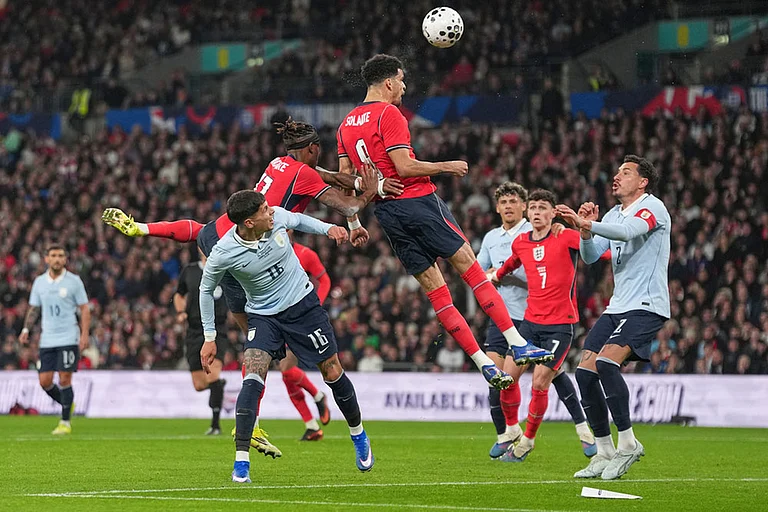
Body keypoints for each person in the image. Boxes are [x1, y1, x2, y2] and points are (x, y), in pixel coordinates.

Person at [102, 119, 388, 454]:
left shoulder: (279, 163)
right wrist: (371, 189)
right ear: (312, 149)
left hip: (220, 235)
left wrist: (351, 182)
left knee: (200, 234)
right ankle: (259, 422)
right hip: (247, 254)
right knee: (263, 354)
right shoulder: (304, 175)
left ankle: (140, 228)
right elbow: (346, 201)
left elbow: (328, 177)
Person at [336, 54, 552, 392]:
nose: (404, 88)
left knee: (437, 291)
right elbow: (405, 167)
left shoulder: (346, 123)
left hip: (387, 213)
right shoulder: (389, 113)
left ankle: (482, 361)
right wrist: (446, 166)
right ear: (389, 82)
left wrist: (375, 188)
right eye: (402, 81)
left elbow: (344, 180)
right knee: (469, 266)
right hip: (418, 201)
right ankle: (517, 341)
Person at [199, 190, 373, 483]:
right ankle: (241, 464)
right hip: (264, 317)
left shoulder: (276, 218)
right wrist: (209, 336)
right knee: (253, 374)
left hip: (303, 307)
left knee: (332, 371)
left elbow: (302, 220)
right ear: (249, 223)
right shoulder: (224, 251)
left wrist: (329, 228)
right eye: (265, 210)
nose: (272, 212)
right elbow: (205, 290)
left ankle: (358, 434)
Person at [556, 154, 670, 480]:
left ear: (643, 181)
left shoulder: (652, 207)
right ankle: (604, 451)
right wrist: (587, 232)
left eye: (626, 172)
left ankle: (629, 443)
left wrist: (585, 224)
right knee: (584, 373)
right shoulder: (613, 213)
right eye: (617, 171)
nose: (617, 177)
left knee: (606, 363)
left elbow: (627, 233)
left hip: (647, 304)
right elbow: (591, 257)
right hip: (618, 305)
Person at [479, 182, 595, 459]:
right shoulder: (515, 241)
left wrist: (587, 228)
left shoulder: (564, 236)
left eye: (541, 208)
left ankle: (529, 440)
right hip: (524, 322)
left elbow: (596, 253)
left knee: (542, 382)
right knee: (505, 380)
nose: (536, 212)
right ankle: (511, 431)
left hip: (558, 324)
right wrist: (493, 276)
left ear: (553, 213)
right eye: (534, 207)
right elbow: (507, 265)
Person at [18, 245, 90, 435]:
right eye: (53, 256)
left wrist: (84, 335)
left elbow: (84, 308)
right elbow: (33, 308)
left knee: (65, 377)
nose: (57, 259)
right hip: (47, 338)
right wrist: (26, 329)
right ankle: (67, 403)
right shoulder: (40, 283)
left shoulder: (74, 281)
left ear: (65, 259)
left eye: (60, 255)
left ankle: (65, 422)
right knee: (44, 381)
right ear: (46, 259)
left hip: (68, 336)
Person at [174, 248, 229, 435]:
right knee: (199, 385)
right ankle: (218, 388)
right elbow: (179, 294)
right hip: (194, 330)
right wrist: (181, 312)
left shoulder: (224, 268)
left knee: (213, 375)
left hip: (217, 329)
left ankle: (215, 425)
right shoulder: (190, 271)